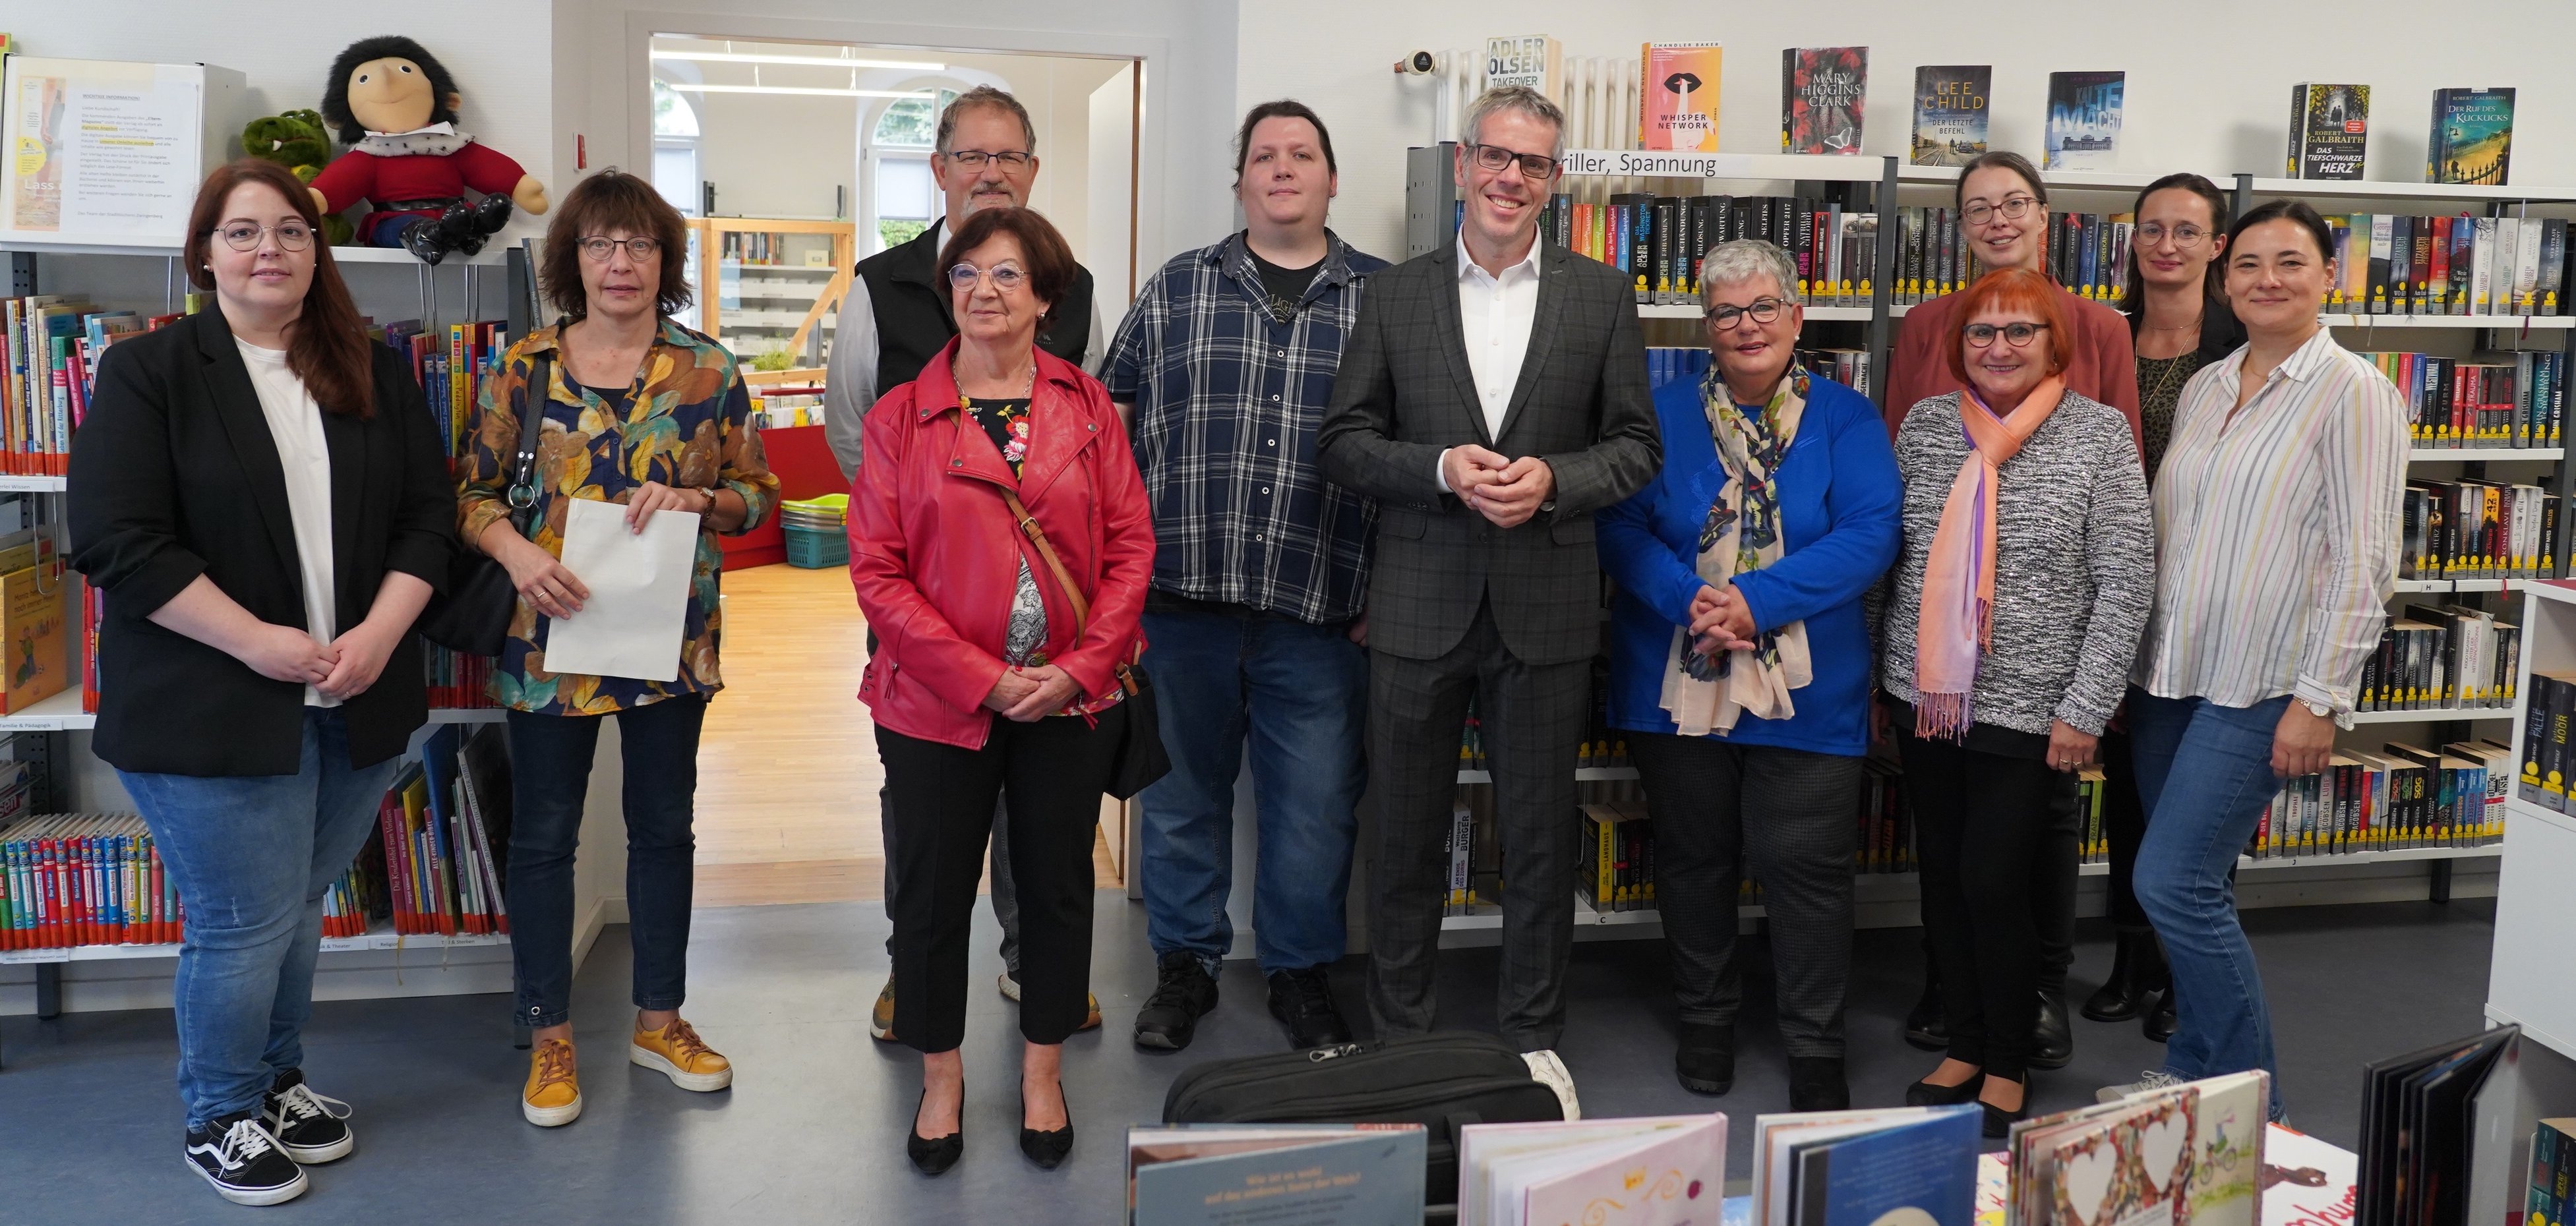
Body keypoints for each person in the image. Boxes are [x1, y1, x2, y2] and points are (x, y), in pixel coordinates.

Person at [68, 158, 456, 1206]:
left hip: (357, 693)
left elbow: (430, 518)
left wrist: (378, 633)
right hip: (214, 704)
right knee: (243, 922)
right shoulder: (150, 374)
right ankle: (219, 1114)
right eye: (242, 233)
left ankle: (276, 1082)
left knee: (295, 910)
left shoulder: (368, 368)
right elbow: (115, 542)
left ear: (316, 249)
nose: (268, 251)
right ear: (205, 255)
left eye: (289, 230)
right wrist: (256, 643)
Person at [1317, 85, 1661, 1054]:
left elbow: (1635, 447)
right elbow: (1343, 443)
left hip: (1546, 612)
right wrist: (1434, 468)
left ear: (1556, 181)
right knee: (1404, 843)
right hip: (1418, 607)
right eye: (1498, 157)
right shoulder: (1392, 294)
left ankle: (1533, 1043)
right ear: (1464, 165)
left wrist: (1556, 479)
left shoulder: (1603, 295)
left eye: (1536, 163)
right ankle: (1402, 1043)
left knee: (1544, 845)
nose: (1513, 177)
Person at [456, 169, 781, 1128]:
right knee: (546, 837)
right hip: (545, 643)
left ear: (664, 261)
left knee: (662, 829)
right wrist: (515, 552)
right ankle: (550, 1034)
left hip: (667, 641)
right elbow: (469, 496)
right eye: (600, 243)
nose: (620, 262)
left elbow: (757, 493)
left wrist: (699, 498)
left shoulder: (710, 371)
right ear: (573, 260)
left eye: (639, 244)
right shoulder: (526, 367)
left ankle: (660, 1019)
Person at [848, 206, 1153, 1175]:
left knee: (1059, 890)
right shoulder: (902, 417)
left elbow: (1131, 547)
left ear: (1048, 299)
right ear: (948, 294)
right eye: (968, 274)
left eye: (1009, 275)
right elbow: (879, 573)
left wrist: (1078, 667)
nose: (985, 290)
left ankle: (1041, 1070)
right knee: (932, 895)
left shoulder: (1089, 411)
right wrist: (981, 677)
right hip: (934, 703)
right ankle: (941, 1077)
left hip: (1070, 698)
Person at [2109, 200, 2407, 1121]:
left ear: (2330, 275)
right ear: (2223, 278)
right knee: (2175, 886)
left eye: (2290, 262)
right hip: (2170, 675)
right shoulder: (2206, 387)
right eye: (2247, 264)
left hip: (2265, 679)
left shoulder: (2356, 391)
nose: (2265, 280)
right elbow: (2172, 529)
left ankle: (2252, 1111)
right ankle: (2201, 1070)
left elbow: (2367, 558)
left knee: (2175, 883)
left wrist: (2323, 698)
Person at [1102, 100, 1388, 1052]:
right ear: (1241, 183)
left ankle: (1301, 975)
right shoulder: (1179, 288)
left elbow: (1413, 452)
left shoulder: (1385, 302)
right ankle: (1185, 970)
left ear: (1332, 178)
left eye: (1303, 153)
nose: (1282, 168)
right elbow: (1107, 426)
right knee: (1181, 804)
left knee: (1312, 813)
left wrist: (1383, 592)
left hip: (1321, 612)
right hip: (1180, 608)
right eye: (1263, 156)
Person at [824, 84, 1106, 1044]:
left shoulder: (1074, 289)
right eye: (970, 157)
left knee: (1045, 794)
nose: (991, 172)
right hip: (923, 602)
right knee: (927, 799)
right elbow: (855, 435)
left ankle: (1037, 963)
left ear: (1032, 171)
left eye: (1009, 158)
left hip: (1050, 616)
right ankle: (919, 971)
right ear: (938, 169)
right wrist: (933, 543)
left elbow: (1093, 453)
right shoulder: (877, 283)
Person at [1597, 239, 1901, 1110]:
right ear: (1707, 329)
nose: (1747, 325)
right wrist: (1692, 598)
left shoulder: (1848, 419)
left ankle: (1814, 1039)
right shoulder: (1657, 416)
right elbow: (1619, 529)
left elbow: (1871, 535)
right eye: (1727, 312)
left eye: (1765, 306)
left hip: (1809, 693)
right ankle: (1706, 1019)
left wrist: (1754, 603)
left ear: (1798, 317)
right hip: (1676, 677)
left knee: (1805, 868)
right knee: (1696, 860)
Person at [1882, 150, 2143, 1065]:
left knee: (2003, 874)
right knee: (1950, 875)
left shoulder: (2097, 412)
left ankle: (2023, 1021)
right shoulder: (1926, 414)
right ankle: (1966, 1029)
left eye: (2020, 333)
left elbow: (2124, 569)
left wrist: (2088, 701)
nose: (1999, 345)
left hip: (2037, 698)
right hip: (1934, 689)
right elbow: (1897, 537)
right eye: (1977, 207)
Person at [2087, 173, 2244, 1041]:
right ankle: (2131, 959)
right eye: (2152, 229)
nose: (2167, 246)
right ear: (2134, 241)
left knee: (2196, 792)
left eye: (2187, 231)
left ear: (2217, 245)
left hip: (2202, 592)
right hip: (2117, 590)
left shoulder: (2238, 348)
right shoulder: (2104, 336)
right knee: (2129, 793)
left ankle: (2191, 970)